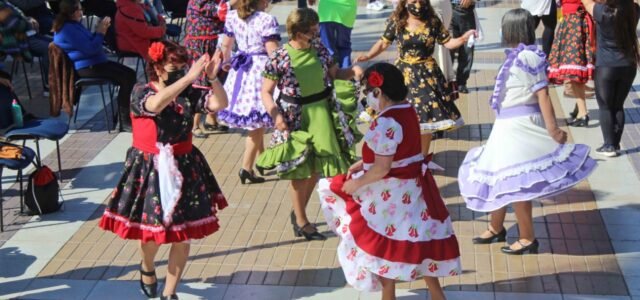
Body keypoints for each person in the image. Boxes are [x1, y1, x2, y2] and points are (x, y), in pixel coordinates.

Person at [457, 9, 597, 255]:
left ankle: (527, 237)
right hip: (507, 127)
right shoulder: (518, 55)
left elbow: (543, 95)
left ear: (513, 30)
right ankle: (496, 227)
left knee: (518, 183)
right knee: (498, 176)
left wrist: (553, 129)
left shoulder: (528, 57)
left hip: (521, 128)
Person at [318, 63, 461, 300]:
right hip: (414, 189)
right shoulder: (407, 109)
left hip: (390, 193)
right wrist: (363, 165)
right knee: (419, 240)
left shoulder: (386, 122)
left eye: (367, 91)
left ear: (378, 92)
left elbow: (382, 167)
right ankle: (437, 295)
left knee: (385, 245)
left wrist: (357, 182)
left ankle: (389, 296)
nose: (367, 98)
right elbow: (398, 154)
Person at [99, 40, 229, 300]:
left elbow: (220, 104)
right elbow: (155, 106)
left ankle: (170, 294)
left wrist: (212, 78)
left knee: (183, 235)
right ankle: (147, 266)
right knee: (151, 233)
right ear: (157, 67)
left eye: (183, 67)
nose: (180, 71)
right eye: (173, 66)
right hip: (150, 168)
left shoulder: (189, 93)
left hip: (185, 167)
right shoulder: (140, 91)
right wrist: (190, 78)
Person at [257, 8, 362, 241]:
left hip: (322, 112)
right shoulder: (280, 57)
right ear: (296, 32)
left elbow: (335, 73)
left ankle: (298, 214)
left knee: (315, 169)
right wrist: (276, 116)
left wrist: (353, 72)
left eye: (316, 31)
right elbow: (266, 91)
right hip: (295, 116)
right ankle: (302, 221)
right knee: (300, 170)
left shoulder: (320, 49)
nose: (316, 36)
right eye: (311, 32)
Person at [355, 0, 474, 156]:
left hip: (428, 76)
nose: (418, 4)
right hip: (401, 76)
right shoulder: (397, 21)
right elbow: (383, 42)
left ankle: (422, 158)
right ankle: (400, 153)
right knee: (397, 114)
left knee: (427, 118)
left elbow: (448, 42)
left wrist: (462, 39)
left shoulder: (433, 21)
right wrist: (369, 55)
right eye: (413, 1)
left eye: (421, 0)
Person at [217, 0, 280, 184]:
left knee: (256, 119)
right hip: (259, 71)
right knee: (256, 122)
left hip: (241, 70)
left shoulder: (232, 16)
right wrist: (284, 70)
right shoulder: (266, 19)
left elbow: (226, 46)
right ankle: (246, 168)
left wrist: (227, 63)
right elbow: (272, 52)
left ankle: (263, 160)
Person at [52, 0, 136, 131]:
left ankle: (122, 116)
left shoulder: (74, 25)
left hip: (95, 62)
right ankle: (124, 121)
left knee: (130, 73)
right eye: (80, 9)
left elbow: (89, 43)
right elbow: (90, 48)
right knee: (126, 78)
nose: (82, 11)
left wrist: (98, 31)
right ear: (73, 12)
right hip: (87, 67)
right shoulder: (67, 29)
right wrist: (100, 32)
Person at [582, 0, 640, 157]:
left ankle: (608, 146)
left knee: (606, 106)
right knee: (618, 105)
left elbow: (586, 2)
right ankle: (615, 144)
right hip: (628, 65)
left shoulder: (602, 11)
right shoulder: (633, 9)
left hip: (606, 66)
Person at [184, 0, 229, 137]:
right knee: (201, 82)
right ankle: (194, 124)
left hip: (213, 39)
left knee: (216, 79)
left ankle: (211, 120)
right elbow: (221, 11)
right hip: (200, 43)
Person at [547, 0, 595, 127]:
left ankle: (583, 112)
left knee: (574, 70)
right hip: (573, 21)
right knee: (575, 69)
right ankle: (579, 107)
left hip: (575, 23)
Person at [317, 0, 356, 68]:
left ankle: (328, 74)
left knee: (326, 47)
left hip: (327, 10)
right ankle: (345, 74)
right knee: (344, 48)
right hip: (346, 10)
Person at [449, 0, 477, 94]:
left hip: (465, 11)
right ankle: (447, 81)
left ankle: (461, 82)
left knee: (467, 50)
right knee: (448, 49)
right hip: (446, 9)